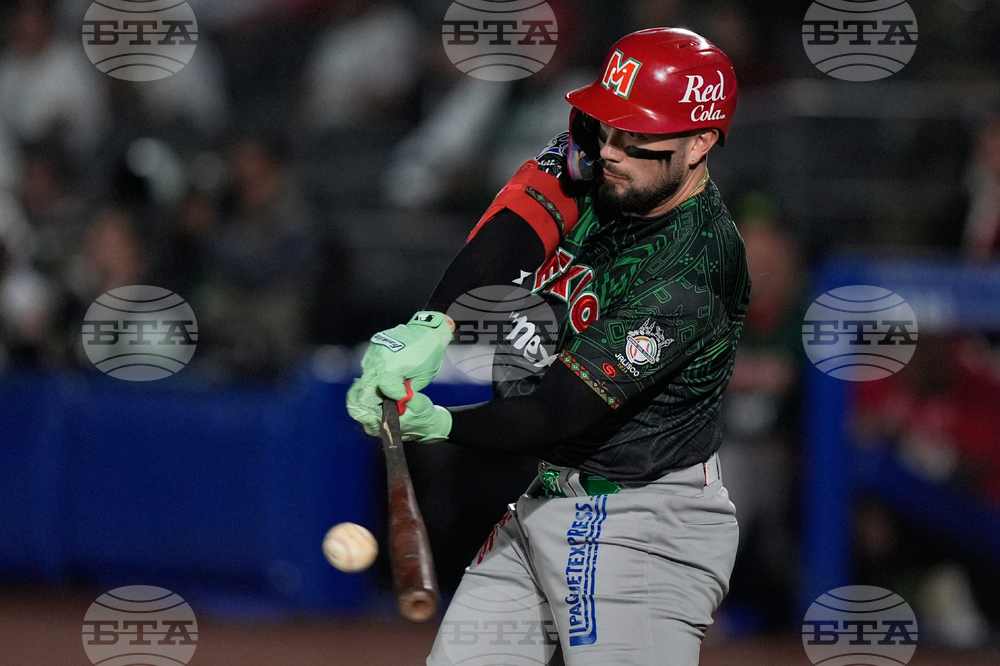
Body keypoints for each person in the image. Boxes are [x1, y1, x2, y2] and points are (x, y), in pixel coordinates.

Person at [347, 28, 750, 666]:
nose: (610, 149)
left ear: (700, 142)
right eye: (608, 126)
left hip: (642, 524)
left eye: (636, 134)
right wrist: (437, 323)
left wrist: (439, 422)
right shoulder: (606, 151)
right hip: (550, 496)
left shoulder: (692, 272)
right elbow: (521, 216)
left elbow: (555, 411)